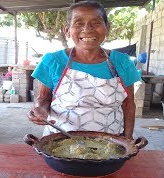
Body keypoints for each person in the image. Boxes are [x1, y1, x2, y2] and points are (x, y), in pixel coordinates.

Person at [27, 1, 141, 140]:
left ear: (107, 28)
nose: (87, 29)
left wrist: (128, 141)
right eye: (78, 23)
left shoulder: (122, 62)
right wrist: (40, 110)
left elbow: (128, 105)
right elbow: (43, 99)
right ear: (67, 30)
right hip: (59, 141)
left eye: (96, 23)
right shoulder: (52, 61)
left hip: (111, 143)